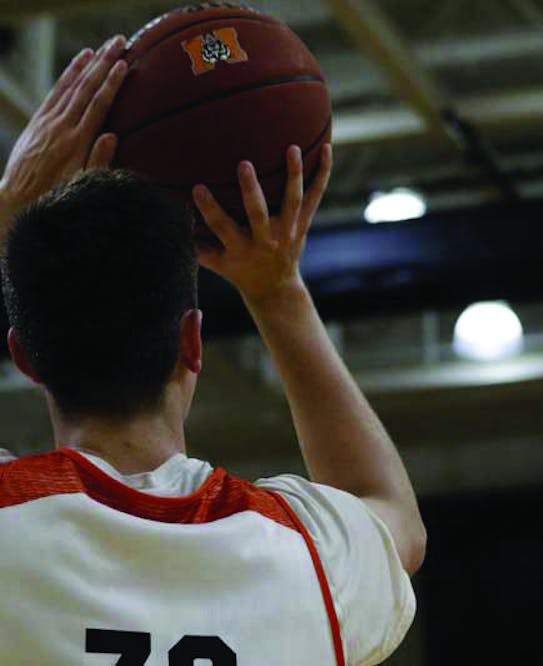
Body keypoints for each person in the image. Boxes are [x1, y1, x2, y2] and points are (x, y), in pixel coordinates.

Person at [0, 36, 425, 665]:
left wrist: (9, 206)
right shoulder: (302, 551)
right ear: (193, 343)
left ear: (25, 357)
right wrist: (277, 288)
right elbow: (392, 516)